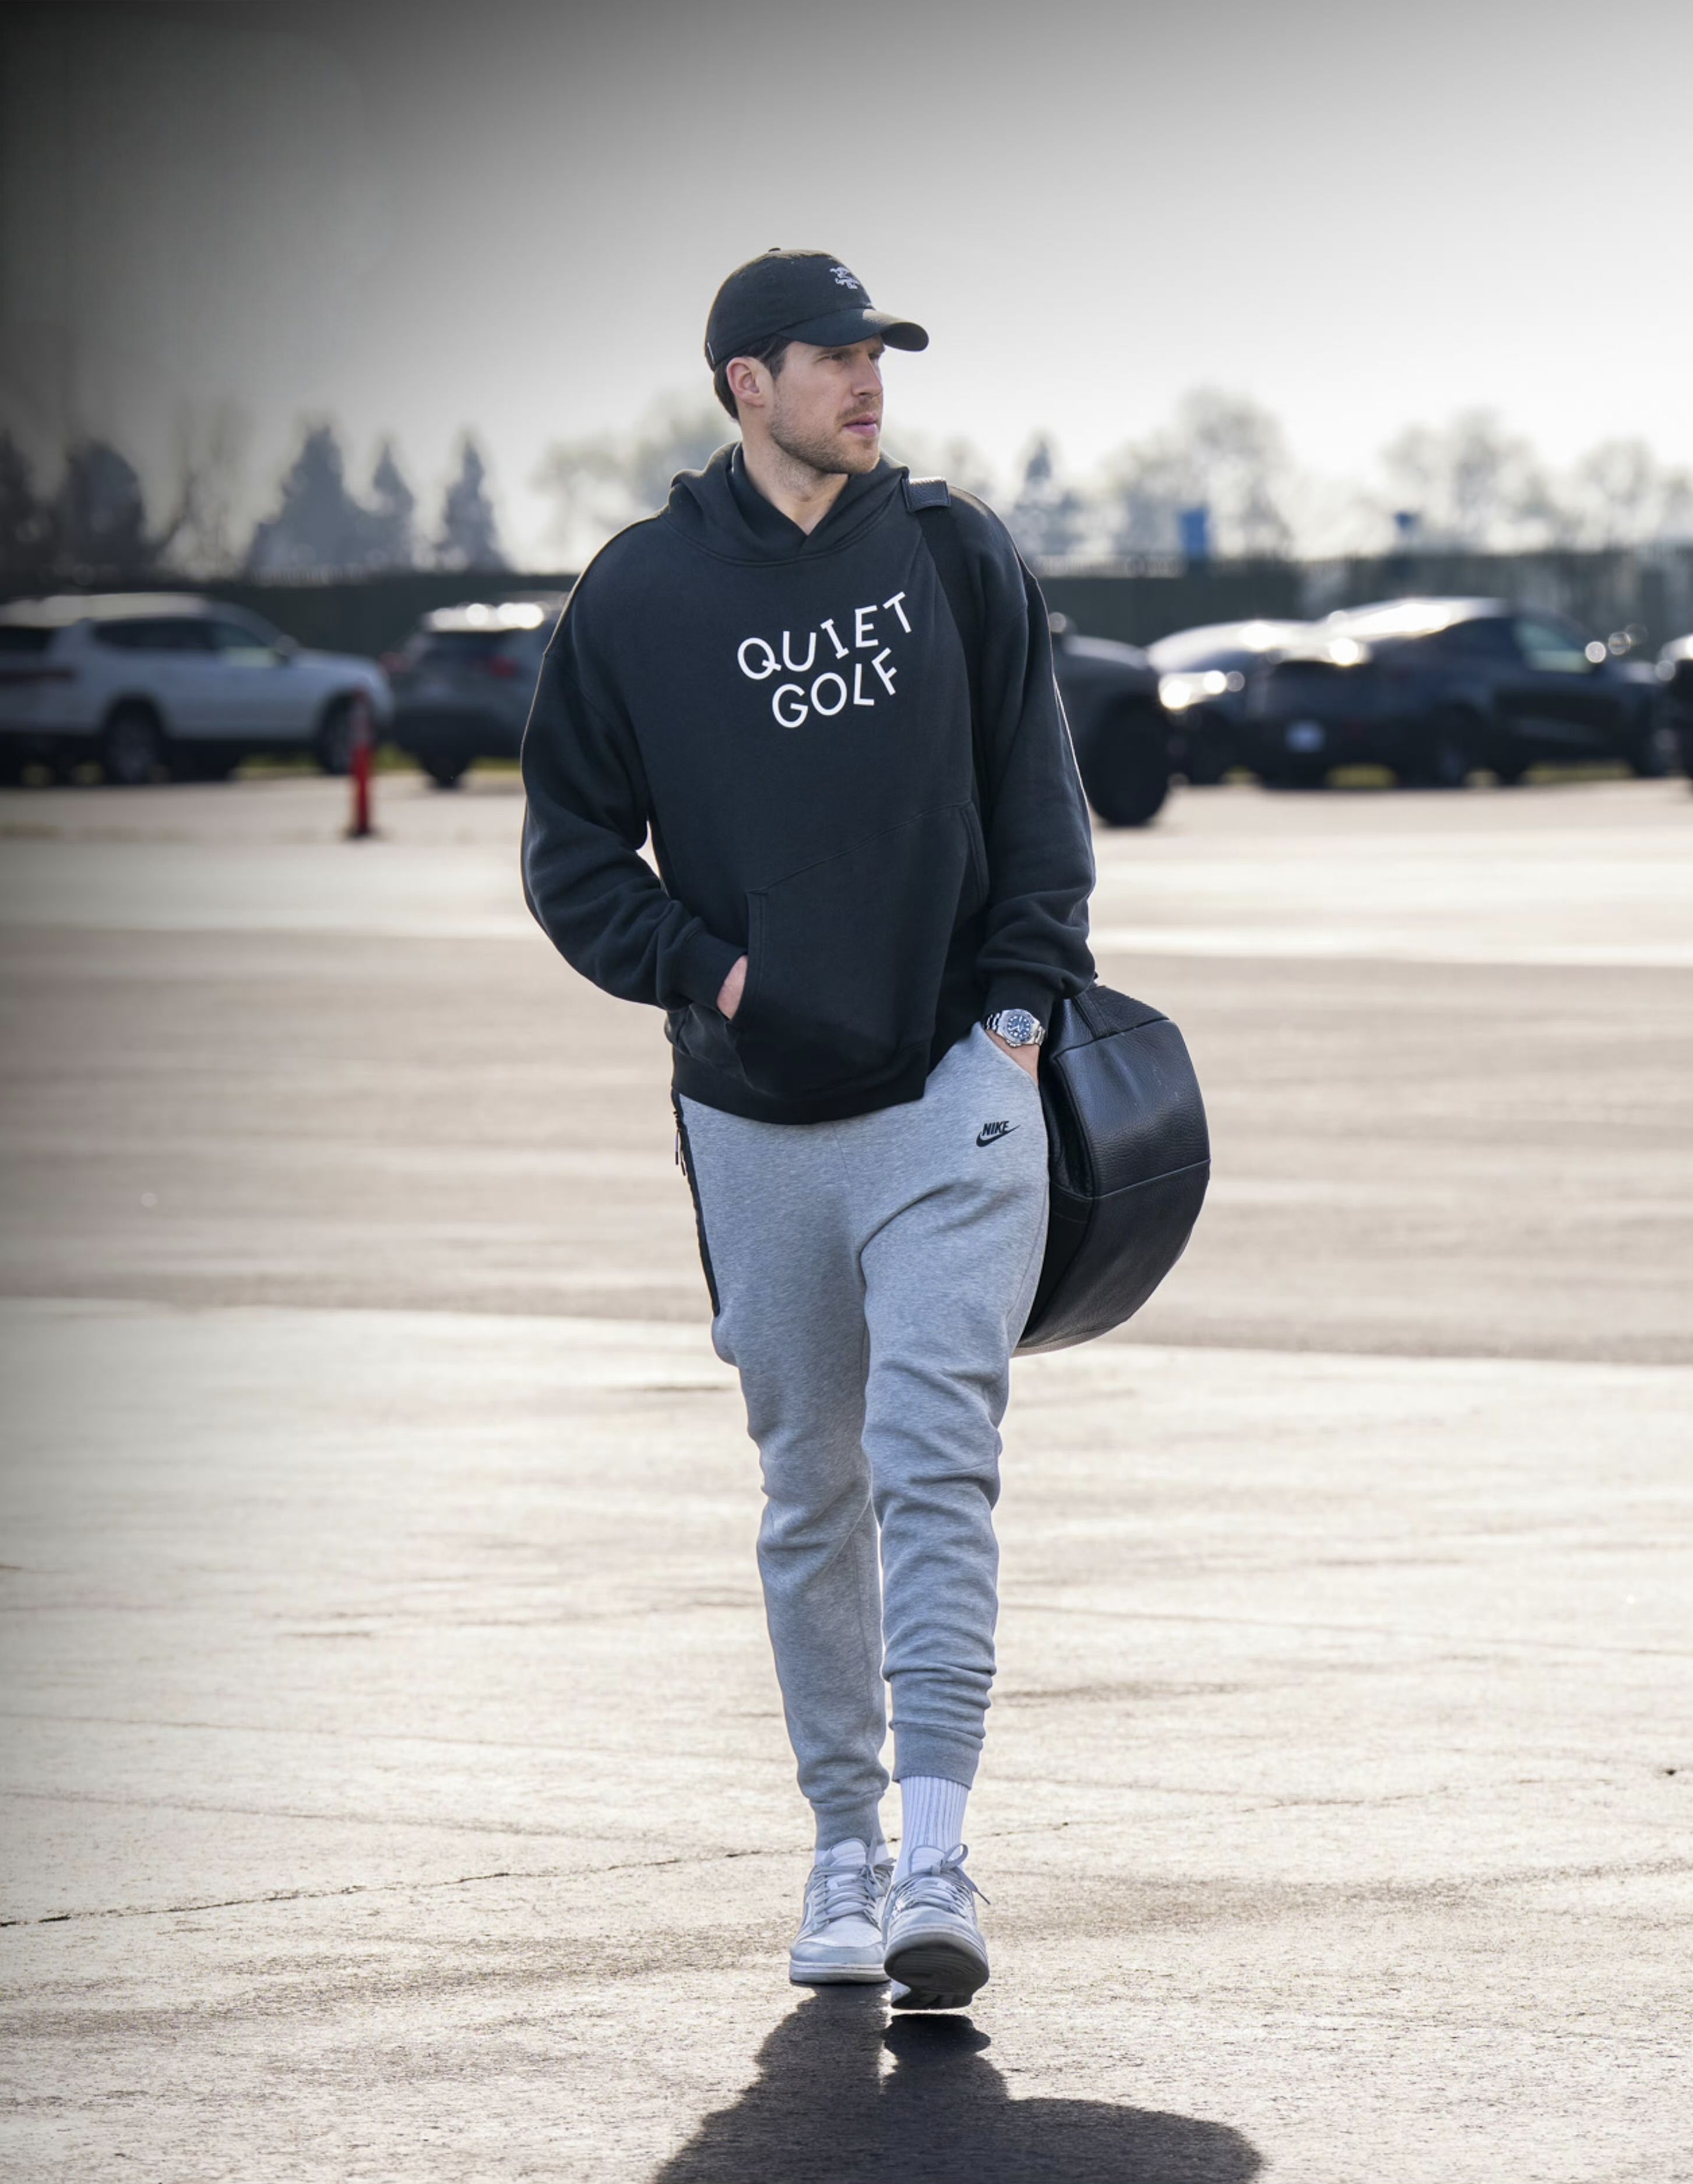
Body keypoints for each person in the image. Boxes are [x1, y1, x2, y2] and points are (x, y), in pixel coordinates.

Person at [521, 248, 1095, 2009]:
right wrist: (714, 974)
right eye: (832, 355)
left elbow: (1041, 809)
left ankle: (937, 1855)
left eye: (877, 353)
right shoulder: (639, 594)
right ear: (742, 385)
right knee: (811, 1486)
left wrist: (1013, 1027)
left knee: (933, 1460)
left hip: (952, 1096)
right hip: (756, 1116)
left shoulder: (953, 551)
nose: (866, 379)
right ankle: (841, 1845)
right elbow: (568, 853)